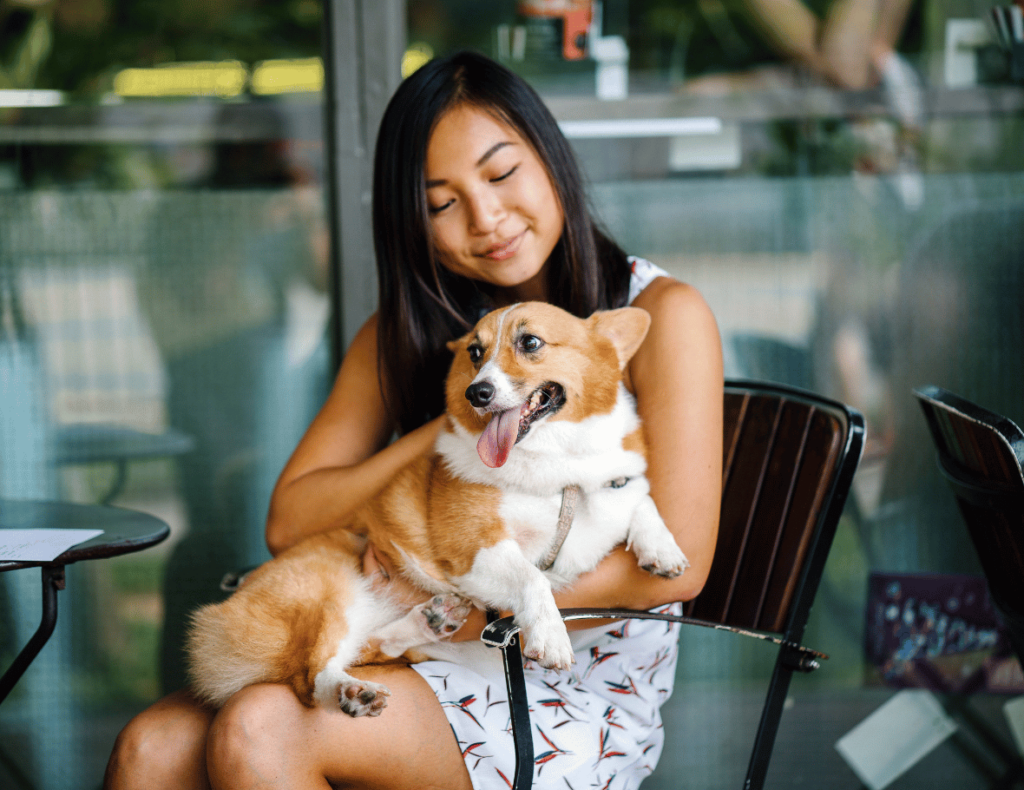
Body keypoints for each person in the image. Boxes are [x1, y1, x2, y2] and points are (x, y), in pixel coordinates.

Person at [104, 50, 723, 790]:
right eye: (442, 203)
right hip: (412, 646)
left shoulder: (659, 313)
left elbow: (674, 566)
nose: (487, 218)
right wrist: (464, 419)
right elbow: (291, 520)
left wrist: (450, 611)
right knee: (150, 746)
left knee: (261, 730)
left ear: (551, 157)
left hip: (567, 681)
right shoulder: (408, 335)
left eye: (500, 174)